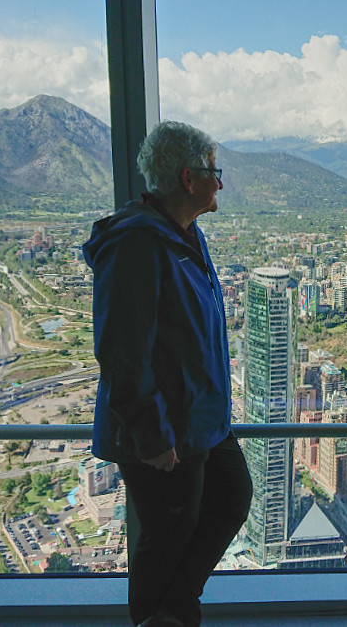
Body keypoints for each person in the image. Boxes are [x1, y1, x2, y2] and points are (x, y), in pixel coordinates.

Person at [84, 121, 252, 627]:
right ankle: (162, 617)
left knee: (231, 497)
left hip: (198, 418)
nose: (219, 182)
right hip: (164, 428)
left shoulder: (183, 234)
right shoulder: (138, 243)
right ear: (188, 177)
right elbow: (121, 351)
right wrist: (150, 434)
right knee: (166, 537)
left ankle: (174, 609)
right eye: (214, 172)